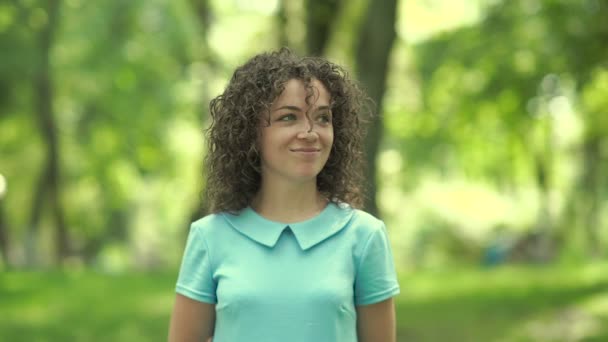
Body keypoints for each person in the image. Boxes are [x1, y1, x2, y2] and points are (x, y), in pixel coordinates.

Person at [168, 48, 400, 342]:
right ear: (250, 132)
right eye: (288, 117)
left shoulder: (365, 236)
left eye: (323, 118)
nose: (309, 131)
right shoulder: (209, 237)